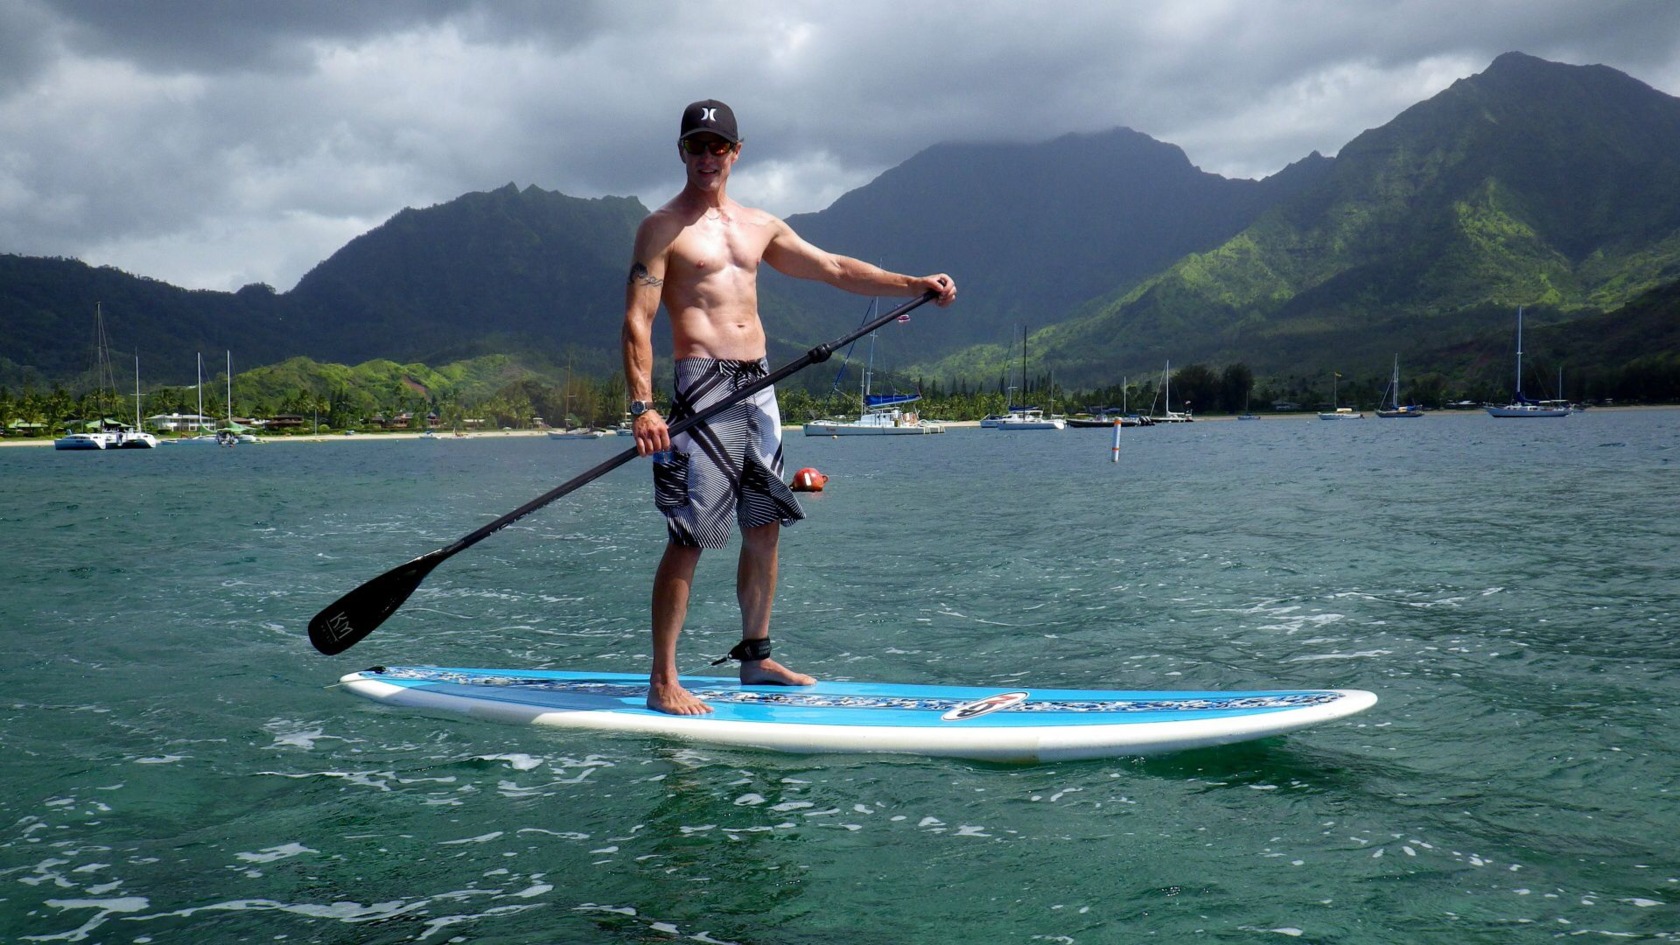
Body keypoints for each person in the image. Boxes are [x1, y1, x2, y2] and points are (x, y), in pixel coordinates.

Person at [623, 99, 957, 715]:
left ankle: (756, 656)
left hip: (761, 383)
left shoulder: (758, 225)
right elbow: (638, 320)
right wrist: (643, 406)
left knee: (765, 523)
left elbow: (833, 268)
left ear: (735, 152)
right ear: (681, 153)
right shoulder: (662, 228)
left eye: (717, 146)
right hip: (703, 387)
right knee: (690, 534)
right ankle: (663, 679)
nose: (706, 157)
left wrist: (914, 284)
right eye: (696, 146)